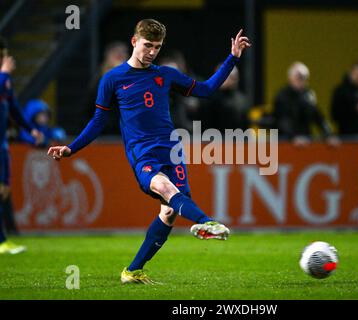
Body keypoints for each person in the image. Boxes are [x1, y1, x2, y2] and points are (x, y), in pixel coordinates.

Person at [47, 19, 251, 284]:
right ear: (135, 41)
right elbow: (98, 122)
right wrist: (71, 148)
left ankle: (132, 271)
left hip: (171, 150)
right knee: (165, 187)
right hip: (142, 154)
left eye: (157, 47)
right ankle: (207, 221)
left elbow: (207, 89)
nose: (152, 52)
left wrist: (232, 58)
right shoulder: (112, 79)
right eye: (147, 45)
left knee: (168, 212)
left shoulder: (165, 74)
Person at [0, 36, 42, 254]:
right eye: (3, 55)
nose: (6, 58)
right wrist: (4, 73)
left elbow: (14, 108)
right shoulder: (3, 77)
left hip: (2, 142)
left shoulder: (5, 81)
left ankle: (2, 241)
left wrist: (30, 129)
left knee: (3, 190)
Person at [271, 62, 339, 147]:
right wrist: (294, 137)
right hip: (286, 143)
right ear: (290, 78)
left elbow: (318, 116)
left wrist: (329, 134)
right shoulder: (282, 96)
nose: (301, 81)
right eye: (298, 78)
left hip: (306, 141)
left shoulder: (308, 95)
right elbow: (282, 121)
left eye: (303, 78)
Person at [85, 41, 129, 136]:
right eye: (116, 53)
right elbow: (92, 104)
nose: (120, 55)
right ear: (108, 56)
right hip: (104, 130)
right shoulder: (100, 77)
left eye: (123, 52)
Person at [331, 61, 358, 138]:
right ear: (351, 73)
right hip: (348, 135)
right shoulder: (341, 91)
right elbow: (335, 115)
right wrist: (355, 109)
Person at [201, 64, 250, 132]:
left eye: (234, 77)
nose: (233, 81)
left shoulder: (240, 100)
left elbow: (243, 125)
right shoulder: (208, 99)